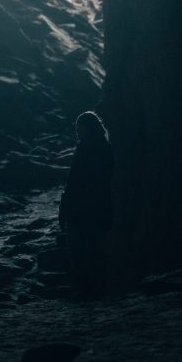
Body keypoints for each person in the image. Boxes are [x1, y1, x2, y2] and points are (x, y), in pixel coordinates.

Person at [59, 111, 113, 298]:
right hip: (100, 207)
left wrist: (66, 205)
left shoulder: (85, 147)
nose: (78, 131)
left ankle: (85, 289)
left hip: (81, 208)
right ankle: (98, 287)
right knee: (95, 249)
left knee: (79, 250)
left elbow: (75, 180)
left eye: (79, 127)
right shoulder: (106, 147)